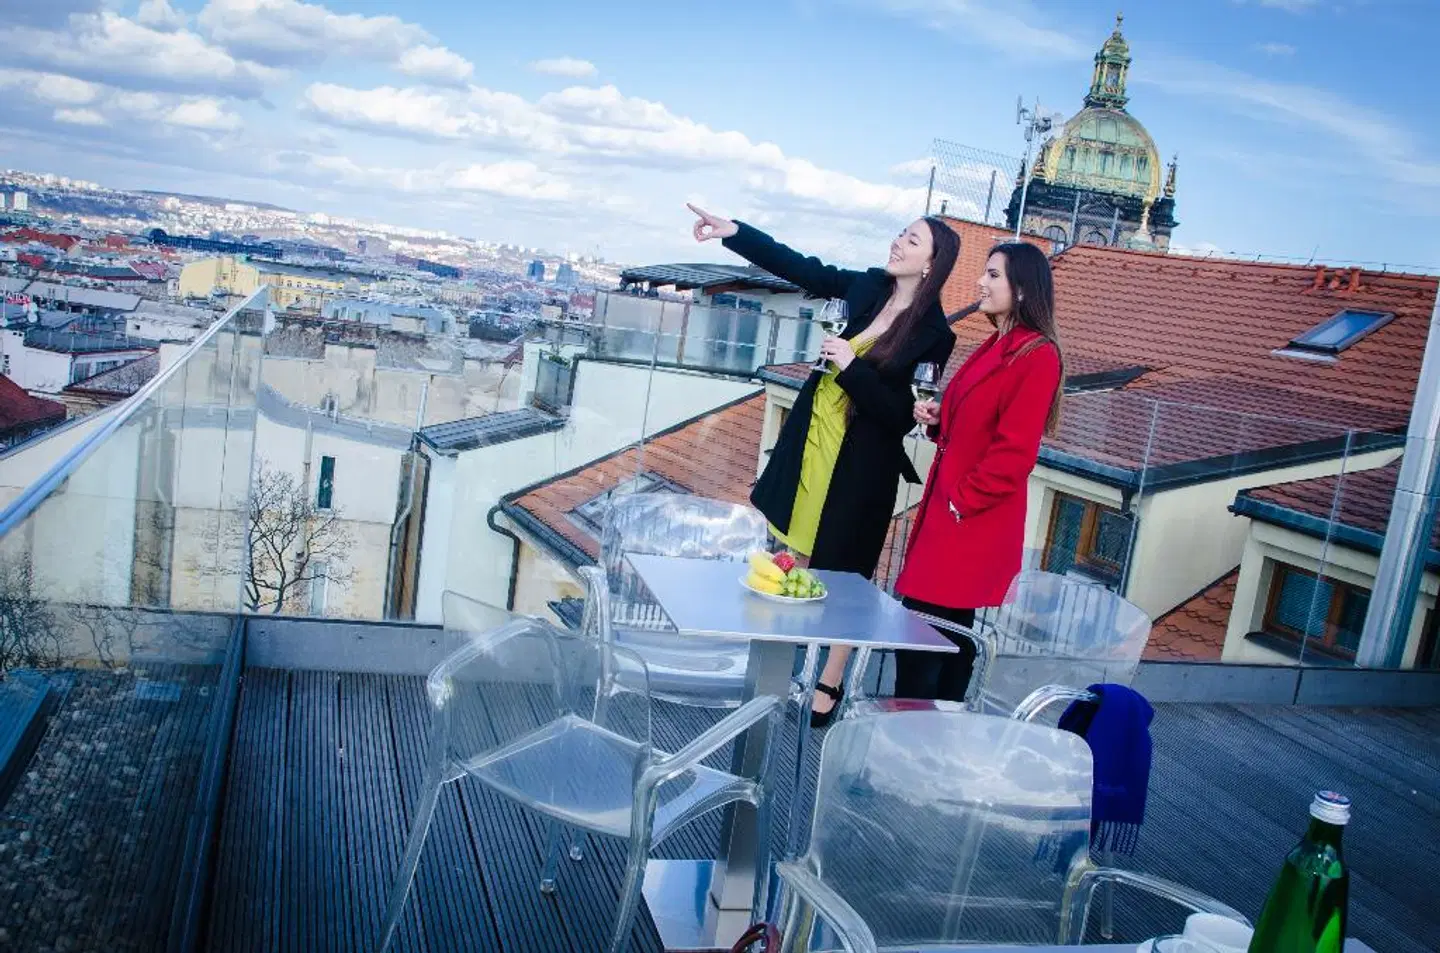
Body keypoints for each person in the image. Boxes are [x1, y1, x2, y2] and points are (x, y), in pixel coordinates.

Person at [689, 204, 959, 725]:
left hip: (862, 464)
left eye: (912, 240)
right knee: (796, 552)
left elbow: (898, 416)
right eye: (901, 233)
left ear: (931, 264)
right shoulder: (867, 286)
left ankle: (829, 681)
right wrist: (735, 233)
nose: (898, 242)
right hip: (814, 440)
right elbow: (801, 267)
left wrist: (853, 366)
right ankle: (780, 664)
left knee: (848, 575)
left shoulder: (934, 333)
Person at [892, 241, 1064, 703]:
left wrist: (959, 501)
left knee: (929, 638)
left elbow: (1014, 453)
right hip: (951, 513)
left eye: (993, 275)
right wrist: (938, 421)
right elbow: (974, 423)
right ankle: (927, 733)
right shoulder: (996, 344)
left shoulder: (1036, 356)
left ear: (1023, 289)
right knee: (933, 636)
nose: (980, 283)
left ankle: (918, 737)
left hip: (969, 519)